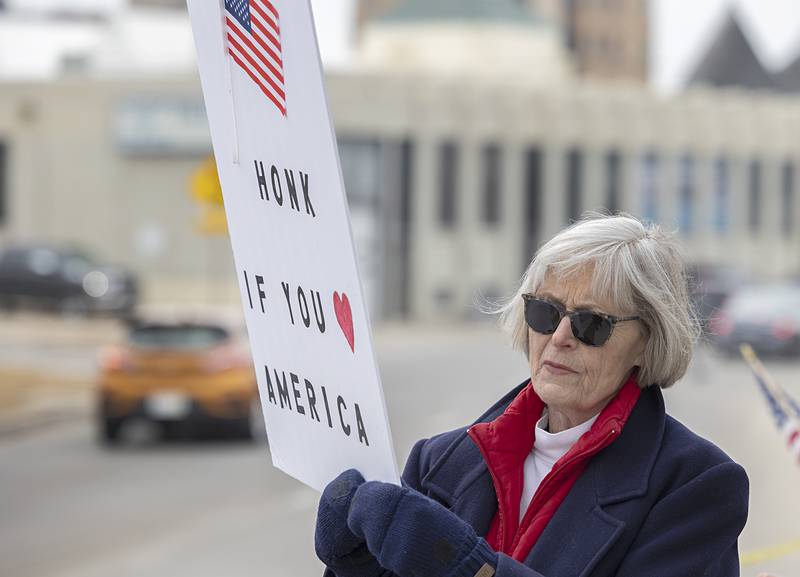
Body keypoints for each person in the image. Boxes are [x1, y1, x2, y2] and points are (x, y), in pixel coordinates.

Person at [315, 213, 749, 577]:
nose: (560, 337)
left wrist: (470, 567)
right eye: (545, 312)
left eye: (591, 323)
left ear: (646, 340)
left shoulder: (696, 486)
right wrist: (356, 566)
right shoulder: (440, 462)